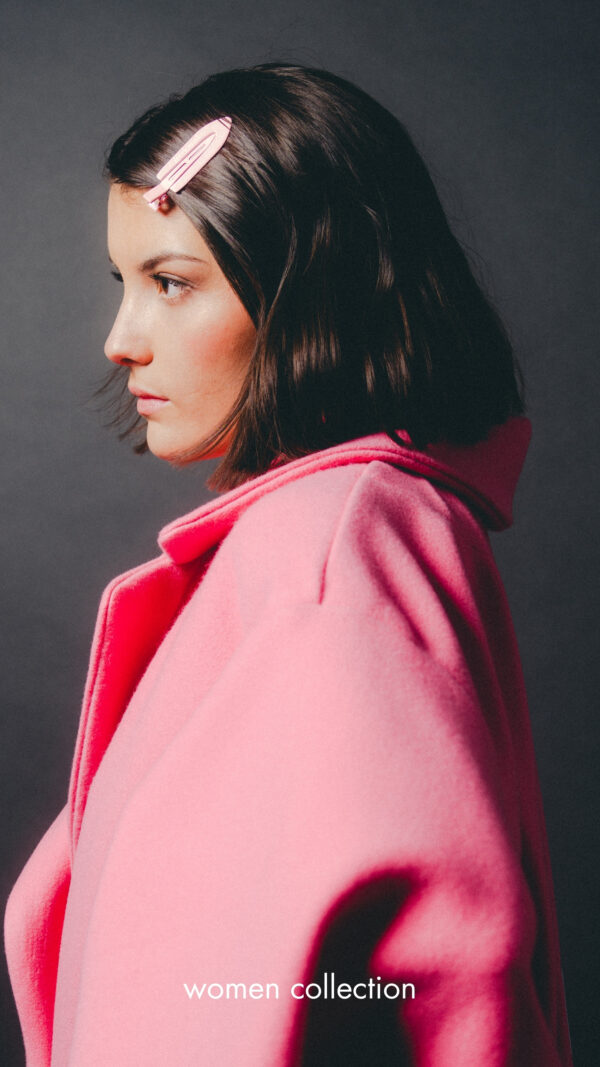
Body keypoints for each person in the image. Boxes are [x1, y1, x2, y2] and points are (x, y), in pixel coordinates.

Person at [5, 63, 572, 1066]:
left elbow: (444, 977)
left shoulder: (334, 550)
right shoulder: (346, 527)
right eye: (124, 282)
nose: (122, 340)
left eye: (172, 282)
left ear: (310, 293)